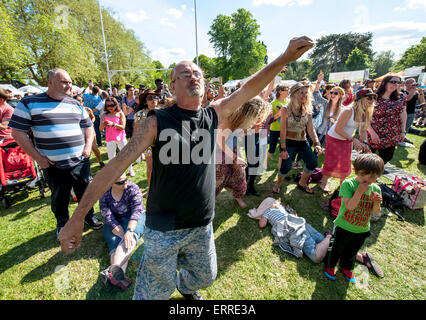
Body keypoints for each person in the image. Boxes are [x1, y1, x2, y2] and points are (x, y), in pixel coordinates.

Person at [58, 37, 315, 300]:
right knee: (154, 294)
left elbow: (249, 89)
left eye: (197, 74)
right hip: (163, 229)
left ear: (204, 84)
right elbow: (114, 167)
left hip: (202, 224)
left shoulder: (213, 114)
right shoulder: (156, 122)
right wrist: (78, 217)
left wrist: (284, 58)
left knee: (207, 276)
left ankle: (186, 287)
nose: (193, 77)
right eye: (184, 74)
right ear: (172, 85)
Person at [9, 69, 103, 240]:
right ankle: (63, 224)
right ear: (50, 82)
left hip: (80, 161)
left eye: (70, 82)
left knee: (85, 193)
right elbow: (18, 133)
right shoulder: (30, 102)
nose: (69, 85)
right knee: (60, 197)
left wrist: (88, 147)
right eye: (64, 82)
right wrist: (38, 158)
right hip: (53, 165)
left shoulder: (75, 104)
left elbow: (88, 126)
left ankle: (89, 217)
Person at [323, 153, 384, 283]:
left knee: (352, 251)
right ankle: (329, 266)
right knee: (336, 249)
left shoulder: (376, 188)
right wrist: (359, 192)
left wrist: (377, 202)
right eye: (363, 175)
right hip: (344, 225)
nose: (367, 179)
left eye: (372, 176)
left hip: (362, 228)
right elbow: (350, 206)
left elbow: (375, 212)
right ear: (356, 171)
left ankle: (346, 268)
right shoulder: (348, 184)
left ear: (378, 176)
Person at [216, 97, 271, 208]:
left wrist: (250, 130)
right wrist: (236, 158)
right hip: (218, 153)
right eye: (257, 116)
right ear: (249, 112)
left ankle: (238, 197)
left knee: (239, 177)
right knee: (216, 181)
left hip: (232, 150)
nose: (258, 119)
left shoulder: (240, 120)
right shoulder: (229, 117)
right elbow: (219, 141)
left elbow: (237, 135)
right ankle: (206, 204)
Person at [272, 82, 323, 195]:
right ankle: (278, 184)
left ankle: (302, 183)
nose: (304, 95)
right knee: (286, 166)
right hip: (288, 141)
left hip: (302, 141)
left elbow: (311, 129)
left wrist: (317, 143)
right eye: (301, 93)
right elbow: (283, 130)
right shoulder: (286, 109)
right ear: (294, 94)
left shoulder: (308, 109)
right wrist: (283, 149)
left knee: (312, 162)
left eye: (306, 93)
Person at [320, 89, 376, 192]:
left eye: (373, 98)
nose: (372, 100)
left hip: (347, 139)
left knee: (345, 163)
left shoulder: (366, 112)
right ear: (360, 99)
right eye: (369, 98)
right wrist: (353, 139)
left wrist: (365, 143)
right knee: (332, 161)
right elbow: (338, 129)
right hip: (334, 138)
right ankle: (323, 183)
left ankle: (342, 186)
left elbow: (363, 130)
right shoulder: (348, 110)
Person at [248, 197, 332, 263]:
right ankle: (327, 239)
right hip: (301, 223)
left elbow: (262, 225)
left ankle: (328, 237)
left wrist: (261, 216)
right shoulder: (282, 209)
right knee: (322, 242)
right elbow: (294, 214)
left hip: (291, 229)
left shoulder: (267, 211)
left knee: (316, 257)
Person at [100, 174, 146, 290]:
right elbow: (108, 217)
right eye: (120, 182)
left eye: (125, 180)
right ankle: (118, 277)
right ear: (110, 182)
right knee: (115, 242)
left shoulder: (133, 188)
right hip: (114, 223)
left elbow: (137, 211)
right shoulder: (104, 194)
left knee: (130, 238)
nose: (125, 184)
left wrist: (129, 231)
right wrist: (121, 233)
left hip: (135, 219)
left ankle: (113, 270)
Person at [367, 75, 407, 165]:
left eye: (398, 82)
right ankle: (364, 177)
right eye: (393, 82)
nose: (396, 84)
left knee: (385, 158)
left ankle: (376, 175)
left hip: (392, 134)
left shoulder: (401, 97)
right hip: (373, 133)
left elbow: (403, 114)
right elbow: (364, 117)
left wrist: (403, 131)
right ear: (384, 83)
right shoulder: (373, 97)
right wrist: (372, 133)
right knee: (366, 159)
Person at [99, 97, 135, 177]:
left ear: (116, 105)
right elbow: (100, 129)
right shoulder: (104, 115)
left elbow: (123, 127)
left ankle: (130, 169)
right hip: (109, 138)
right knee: (111, 157)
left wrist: (113, 124)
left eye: (112, 105)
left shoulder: (120, 113)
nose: (110, 107)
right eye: (108, 106)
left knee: (126, 155)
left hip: (121, 137)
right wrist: (103, 124)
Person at [134, 89, 160, 187]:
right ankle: (150, 188)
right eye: (150, 98)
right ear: (145, 101)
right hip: (148, 143)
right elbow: (137, 130)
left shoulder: (163, 111)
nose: (153, 99)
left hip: (162, 143)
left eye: (155, 97)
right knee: (150, 167)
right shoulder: (140, 114)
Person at [313, 73, 344, 146]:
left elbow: (343, 123)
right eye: (331, 92)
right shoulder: (325, 103)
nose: (332, 95)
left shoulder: (342, 109)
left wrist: (335, 121)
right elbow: (316, 95)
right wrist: (319, 81)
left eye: (336, 93)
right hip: (321, 133)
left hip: (333, 134)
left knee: (330, 154)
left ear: (340, 96)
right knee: (317, 152)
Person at [74, 94, 105, 168]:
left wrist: (91, 123)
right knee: (83, 149)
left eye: (81, 101)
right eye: (77, 101)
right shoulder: (72, 112)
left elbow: (93, 117)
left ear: (83, 102)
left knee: (94, 148)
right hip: (79, 133)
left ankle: (100, 161)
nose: (80, 102)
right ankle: (85, 164)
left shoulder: (87, 109)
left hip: (89, 131)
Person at [267, 84, 289, 167]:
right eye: (286, 90)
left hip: (285, 129)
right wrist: (279, 114)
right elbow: (269, 121)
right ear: (280, 91)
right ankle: (263, 165)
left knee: (282, 150)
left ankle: (279, 169)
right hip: (275, 130)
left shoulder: (288, 101)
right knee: (272, 150)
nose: (288, 92)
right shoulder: (273, 103)